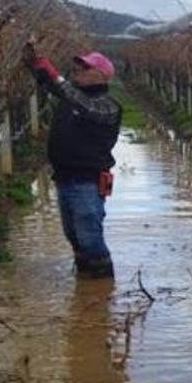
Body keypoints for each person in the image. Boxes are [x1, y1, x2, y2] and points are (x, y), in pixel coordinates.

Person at [22, 42, 122, 279]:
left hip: (89, 180)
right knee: (74, 236)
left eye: (85, 68)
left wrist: (54, 76)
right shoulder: (72, 98)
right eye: (77, 68)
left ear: (102, 75)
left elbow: (78, 100)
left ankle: (102, 289)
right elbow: (57, 88)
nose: (78, 71)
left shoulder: (107, 105)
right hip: (65, 178)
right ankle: (86, 288)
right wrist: (36, 66)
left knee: (89, 236)